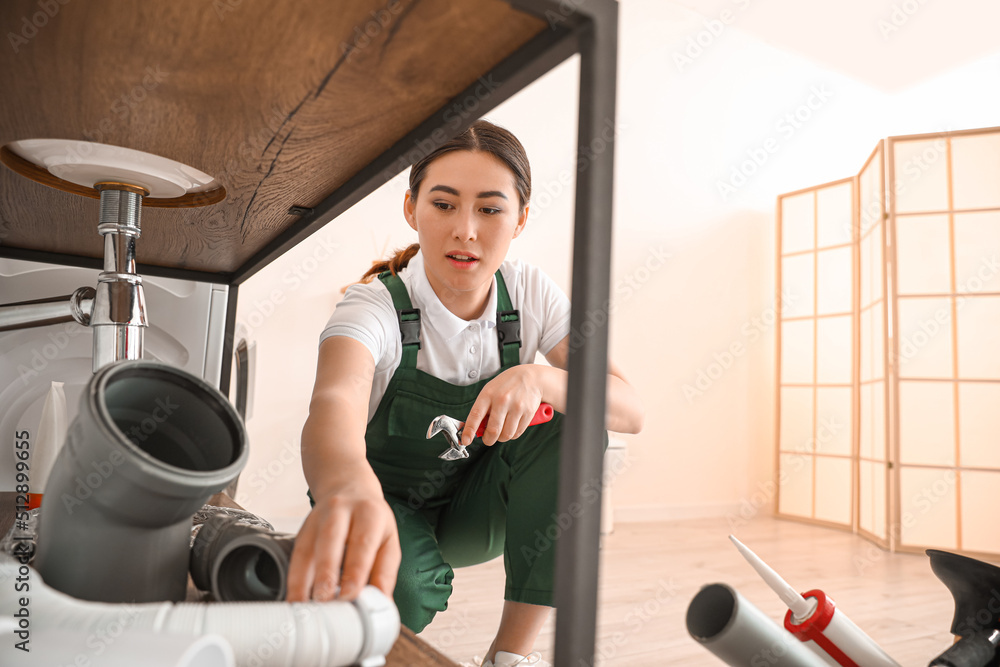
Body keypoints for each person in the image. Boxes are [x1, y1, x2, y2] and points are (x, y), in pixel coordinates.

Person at [286, 119, 644, 667]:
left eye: (491, 209)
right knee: (400, 589)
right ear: (412, 210)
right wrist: (345, 490)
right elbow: (332, 405)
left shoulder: (529, 294)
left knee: (577, 412)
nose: (466, 231)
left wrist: (537, 377)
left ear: (520, 218)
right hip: (378, 509)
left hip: (473, 510)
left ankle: (508, 658)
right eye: (445, 205)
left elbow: (628, 409)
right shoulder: (372, 308)